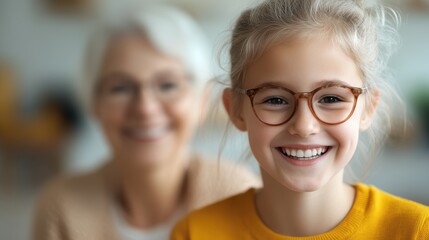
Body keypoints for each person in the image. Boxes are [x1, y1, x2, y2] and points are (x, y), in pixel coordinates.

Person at [171, 0, 429, 239]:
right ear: (236, 110)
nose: (304, 126)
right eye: (275, 100)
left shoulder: (416, 230)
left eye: (331, 99)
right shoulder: (196, 232)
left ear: (368, 108)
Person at [32, 4, 260, 240]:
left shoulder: (238, 194)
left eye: (167, 85)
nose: (145, 108)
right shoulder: (60, 208)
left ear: (202, 101)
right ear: (93, 103)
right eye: (120, 87)